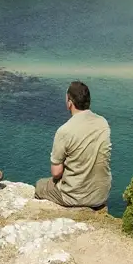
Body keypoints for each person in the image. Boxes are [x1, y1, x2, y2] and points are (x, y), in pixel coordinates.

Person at [35, 81, 111, 209]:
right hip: (101, 194)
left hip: (75, 196)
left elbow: (56, 172)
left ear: (70, 103)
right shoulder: (103, 123)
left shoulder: (65, 130)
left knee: (40, 185)